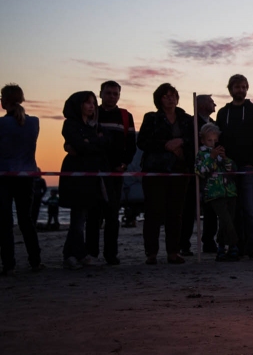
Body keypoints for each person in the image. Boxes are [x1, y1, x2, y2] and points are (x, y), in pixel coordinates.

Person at [137, 83, 194, 265]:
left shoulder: (186, 119)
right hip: (155, 170)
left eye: (173, 95)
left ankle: (173, 252)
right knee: (153, 212)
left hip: (179, 169)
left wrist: (180, 142)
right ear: (159, 99)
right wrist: (166, 145)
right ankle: (151, 253)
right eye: (166, 96)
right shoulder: (151, 118)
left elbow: (194, 139)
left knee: (175, 212)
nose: (170, 98)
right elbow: (143, 142)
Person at [215, 74, 253, 260]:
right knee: (231, 210)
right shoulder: (222, 113)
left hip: (250, 167)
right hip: (228, 168)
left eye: (244, 87)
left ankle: (252, 246)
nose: (241, 90)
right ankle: (234, 246)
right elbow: (218, 138)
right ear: (230, 89)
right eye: (237, 87)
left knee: (251, 209)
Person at [59, 91, 109, 269]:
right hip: (76, 174)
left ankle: (71, 255)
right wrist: (91, 143)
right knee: (78, 217)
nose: (91, 106)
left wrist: (90, 142)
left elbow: (103, 145)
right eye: (87, 103)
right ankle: (78, 254)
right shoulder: (70, 124)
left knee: (81, 217)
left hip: (92, 173)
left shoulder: (94, 126)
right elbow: (80, 145)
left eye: (93, 103)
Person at [89, 81, 135, 265]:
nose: (112, 96)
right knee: (93, 215)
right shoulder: (93, 113)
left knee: (112, 215)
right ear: (100, 94)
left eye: (115, 93)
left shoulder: (125, 116)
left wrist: (124, 164)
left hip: (116, 173)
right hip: (94, 171)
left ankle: (111, 254)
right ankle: (91, 253)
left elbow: (131, 144)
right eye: (108, 93)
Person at [0, 84, 43, 273]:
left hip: (4, 176)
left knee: (5, 222)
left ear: (4, 101)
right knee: (26, 220)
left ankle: (9, 264)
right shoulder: (34, 122)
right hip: (27, 176)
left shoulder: (2, 124)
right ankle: (35, 261)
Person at [194, 123, 241, 262]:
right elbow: (201, 171)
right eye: (210, 140)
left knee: (227, 220)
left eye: (215, 140)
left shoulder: (221, 152)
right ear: (203, 140)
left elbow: (232, 170)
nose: (213, 143)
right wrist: (212, 157)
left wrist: (225, 158)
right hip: (214, 193)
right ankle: (234, 244)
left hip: (229, 191)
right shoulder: (202, 154)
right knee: (226, 220)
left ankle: (221, 247)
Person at [181, 94, 217, 256]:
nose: (214, 104)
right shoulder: (190, 123)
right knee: (190, 208)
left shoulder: (215, 124)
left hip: (212, 172)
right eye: (210, 101)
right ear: (202, 105)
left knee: (211, 208)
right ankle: (184, 243)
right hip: (194, 170)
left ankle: (208, 241)